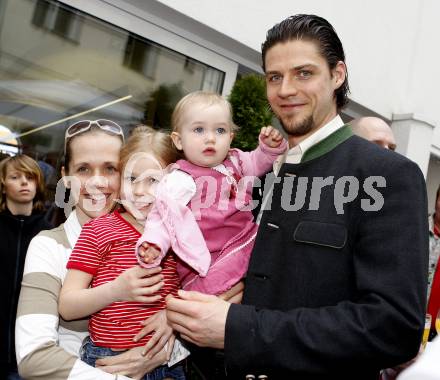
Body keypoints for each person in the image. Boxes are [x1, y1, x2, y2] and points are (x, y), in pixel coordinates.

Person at [165, 14, 428, 379]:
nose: (285, 89)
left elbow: (394, 326)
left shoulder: (387, 175)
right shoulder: (242, 172)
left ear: (337, 75)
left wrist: (240, 328)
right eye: (275, 77)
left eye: (304, 73)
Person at [15, 120, 168, 379]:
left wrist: (165, 350)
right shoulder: (49, 246)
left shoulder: (158, 239)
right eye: (83, 169)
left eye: (110, 168)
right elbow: (34, 357)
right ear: (65, 175)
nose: (97, 182)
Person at [58, 126, 186, 379]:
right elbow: (67, 306)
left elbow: (205, 289)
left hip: (168, 363)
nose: (139, 191)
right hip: (108, 359)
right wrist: (116, 290)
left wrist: (174, 314)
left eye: (153, 180)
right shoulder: (99, 229)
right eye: (131, 178)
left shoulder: (182, 231)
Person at [137, 91, 287, 295]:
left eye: (220, 130)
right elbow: (163, 219)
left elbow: (259, 162)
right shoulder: (181, 178)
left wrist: (269, 149)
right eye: (199, 129)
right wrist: (154, 244)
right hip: (209, 266)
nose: (210, 138)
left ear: (230, 137)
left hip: (246, 244)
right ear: (179, 141)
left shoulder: (237, 161)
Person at [0, 154, 52, 380]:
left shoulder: (49, 233)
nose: (24, 182)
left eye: (30, 177)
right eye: (15, 176)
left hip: (28, 352)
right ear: (3, 186)